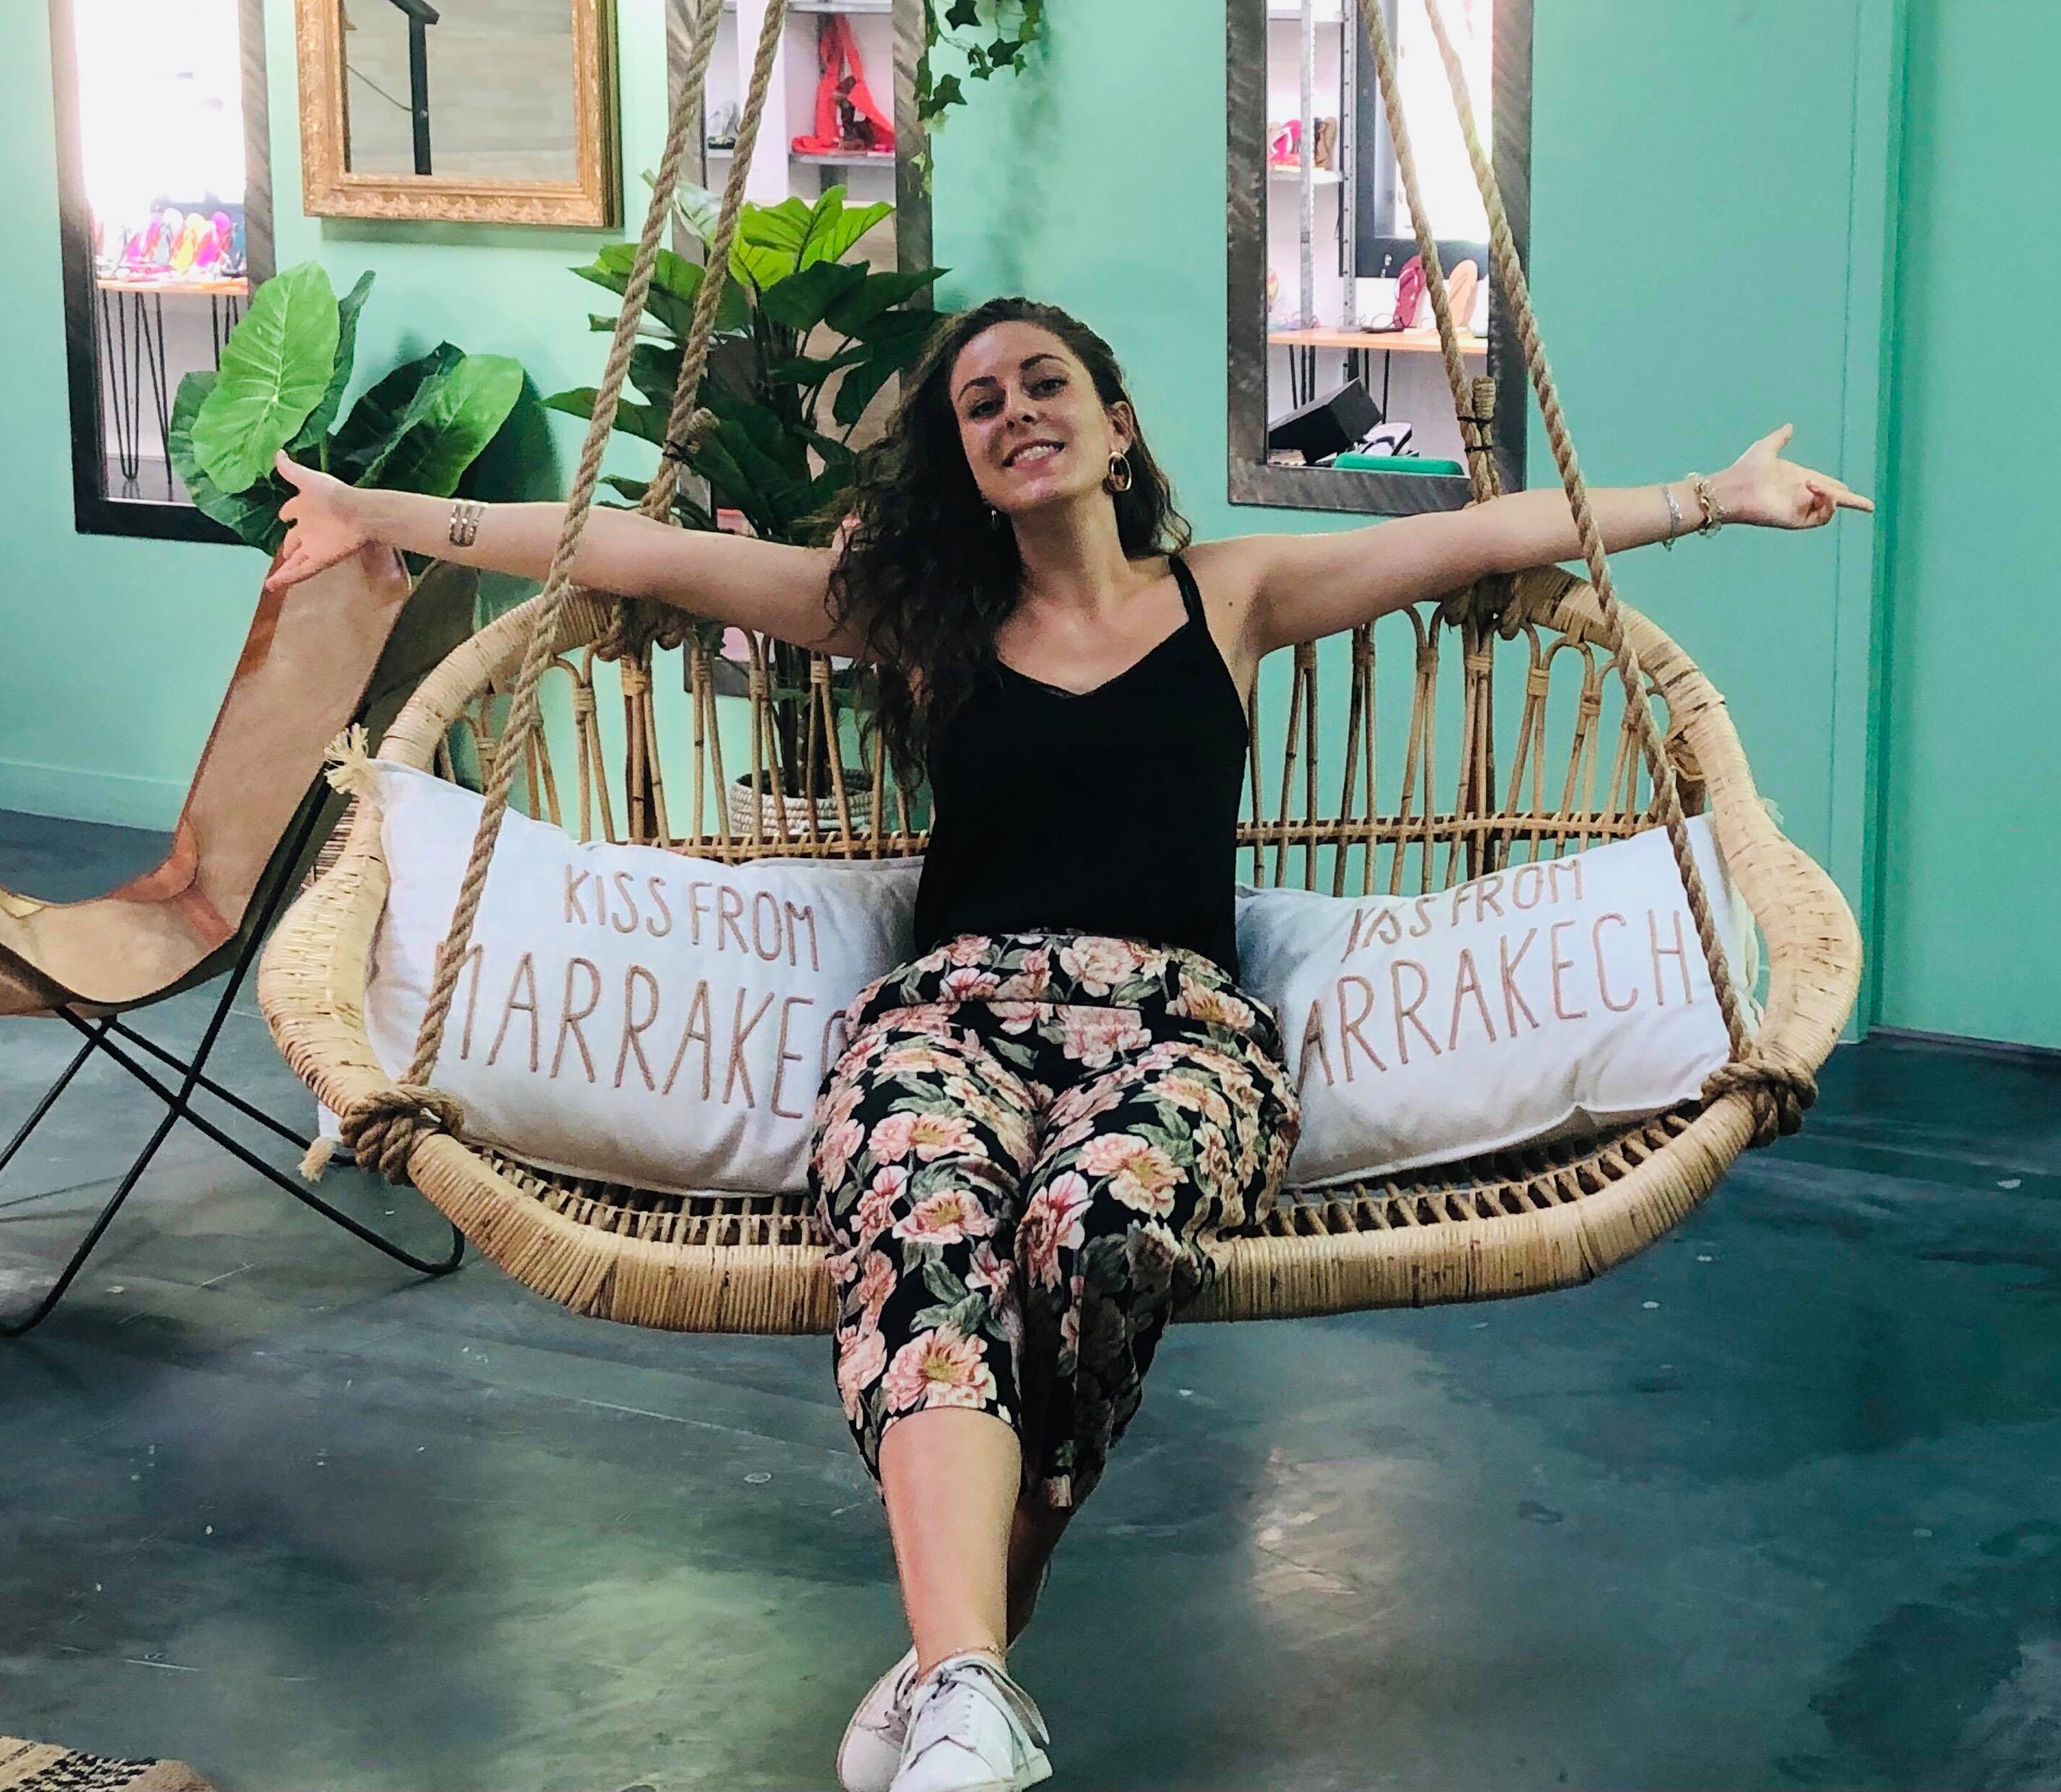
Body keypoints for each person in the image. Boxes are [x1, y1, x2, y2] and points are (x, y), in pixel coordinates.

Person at [268, 294, 1869, 1792]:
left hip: (1183, 1028)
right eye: (979, 404)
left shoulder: (1231, 593)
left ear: (1115, 423)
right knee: (924, 1220)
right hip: (946, 1015)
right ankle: (970, 1687)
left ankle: (956, 1668)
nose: (1015, 413)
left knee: (1100, 1230)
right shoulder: (912, 620)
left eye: (1044, 385)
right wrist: (379, 511)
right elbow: (628, 551)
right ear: (964, 459)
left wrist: (1710, 498)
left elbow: (1483, 532)